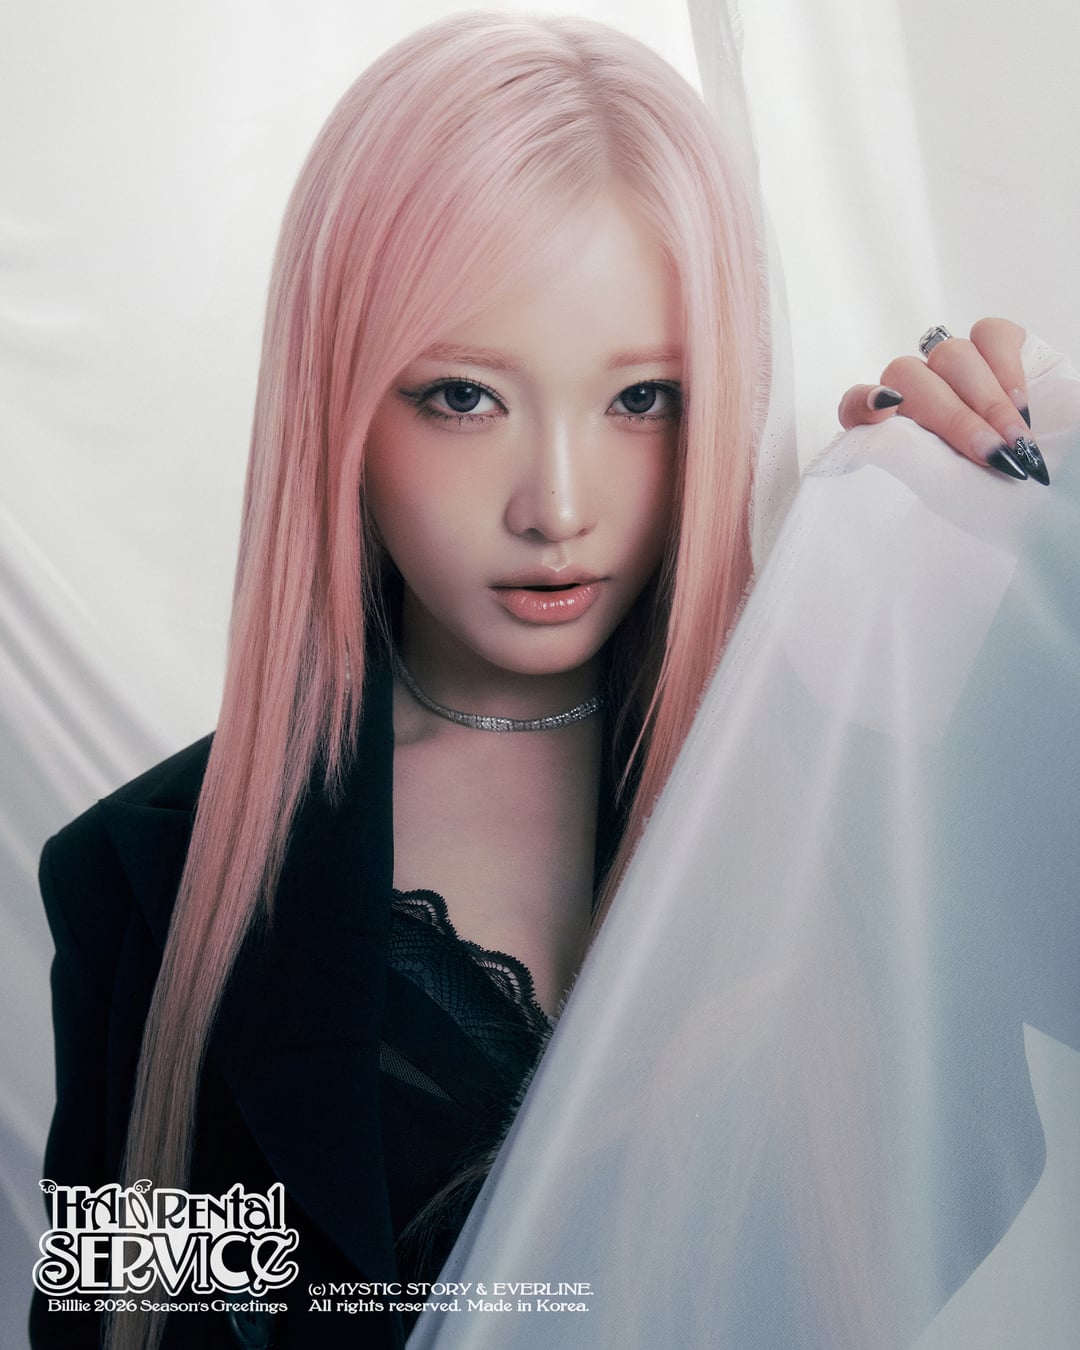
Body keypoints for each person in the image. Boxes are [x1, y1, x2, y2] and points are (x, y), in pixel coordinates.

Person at [29, 12, 1060, 1350]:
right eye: (464, 396)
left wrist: (1011, 536)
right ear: (335, 400)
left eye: (643, 399)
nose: (557, 506)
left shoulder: (849, 801)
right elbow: (119, 1318)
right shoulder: (145, 884)